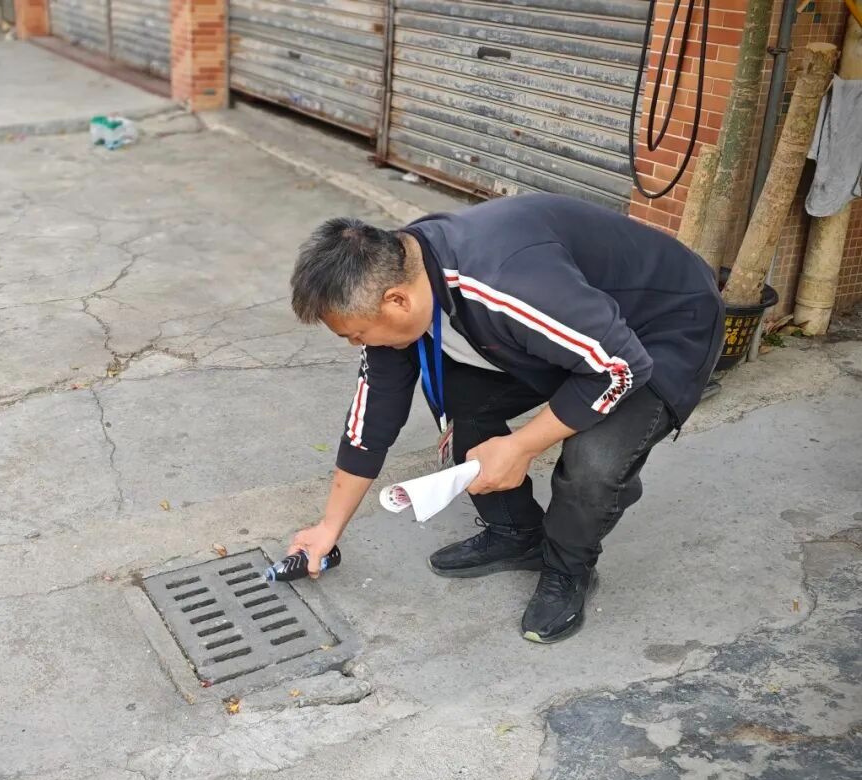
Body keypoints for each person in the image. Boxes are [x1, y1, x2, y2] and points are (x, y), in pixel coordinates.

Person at [286, 193, 725, 644]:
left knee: (594, 460)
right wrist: (328, 528)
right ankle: (517, 533)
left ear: (397, 301)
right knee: (466, 399)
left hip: (662, 327)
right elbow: (372, 416)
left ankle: (567, 568)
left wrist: (520, 447)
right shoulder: (403, 273)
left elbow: (620, 367)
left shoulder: (504, 282)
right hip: (579, 333)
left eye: (357, 335)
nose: (356, 345)